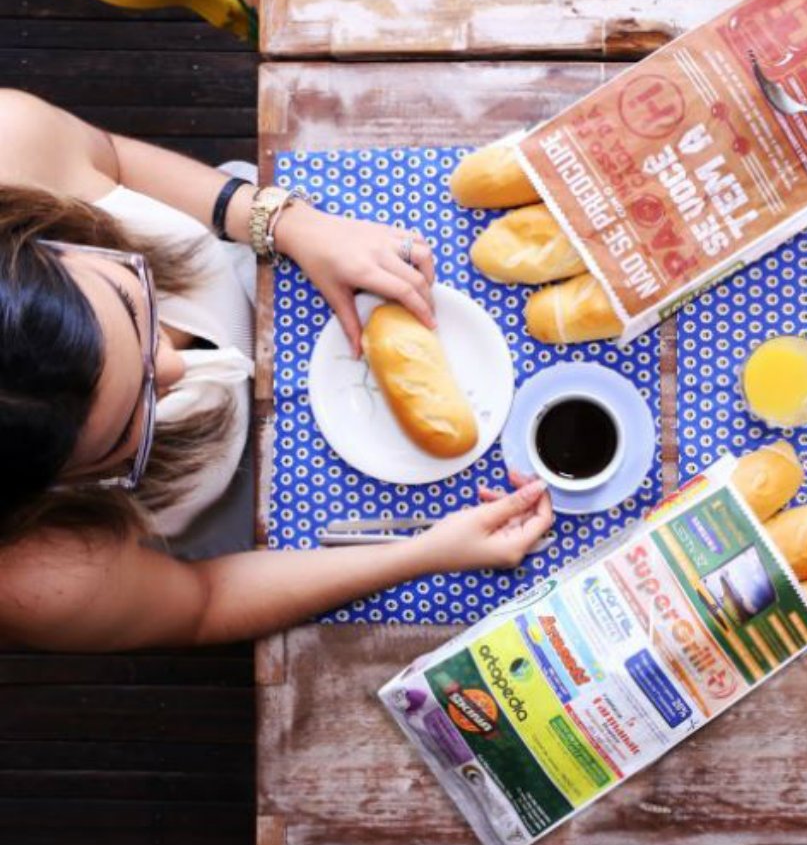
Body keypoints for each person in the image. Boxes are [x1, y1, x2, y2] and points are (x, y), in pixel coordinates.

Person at [0, 90, 553, 652]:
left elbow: (113, 160)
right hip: (239, 511)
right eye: (128, 428)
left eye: (129, 297)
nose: (172, 367)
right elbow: (202, 604)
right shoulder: (33, 583)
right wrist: (425, 554)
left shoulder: (11, 143)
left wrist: (287, 224)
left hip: (246, 248)